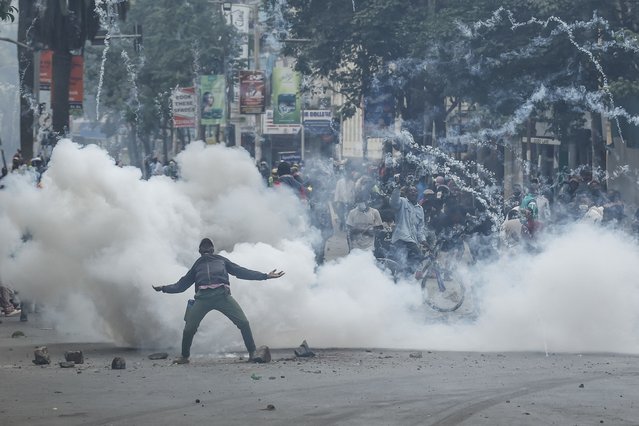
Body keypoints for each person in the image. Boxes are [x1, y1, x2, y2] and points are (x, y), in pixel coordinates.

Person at [153, 238, 284, 364]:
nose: (205, 250)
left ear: (212, 249)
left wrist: (265, 276)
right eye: (203, 248)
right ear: (200, 251)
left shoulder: (221, 260)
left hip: (223, 296)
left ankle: (252, 353)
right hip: (202, 299)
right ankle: (184, 356)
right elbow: (181, 286)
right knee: (189, 329)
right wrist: (164, 288)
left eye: (207, 247)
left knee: (243, 322)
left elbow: (241, 271)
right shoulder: (197, 265)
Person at [390, 183, 428, 275]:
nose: (413, 192)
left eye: (415, 191)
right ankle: (402, 277)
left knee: (410, 262)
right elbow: (393, 201)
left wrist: (423, 240)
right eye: (411, 191)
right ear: (406, 193)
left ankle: (404, 278)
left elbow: (420, 228)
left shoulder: (420, 209)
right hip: (401, 238)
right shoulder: (402, 202)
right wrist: (397, 187)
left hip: (413, 240)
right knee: (417, 256)